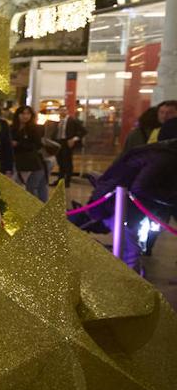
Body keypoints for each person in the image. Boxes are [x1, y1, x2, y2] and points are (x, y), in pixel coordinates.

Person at [79, 119, 177, 274]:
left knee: (130, 250)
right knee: (130, 253)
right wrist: (171, 198)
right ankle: (130, 290)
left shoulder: (159, 152)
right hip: (119, 205)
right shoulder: (164, 157)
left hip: (119, 204)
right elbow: (141, 187)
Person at [11, 105, 48, 201]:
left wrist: (18, 144)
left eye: (28, 113)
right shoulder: (12, 128)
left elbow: (37, 145)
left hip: (34, 164)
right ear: (18, 115)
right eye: (23, 113)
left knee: (33, 187)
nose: (25, 116)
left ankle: (39, 210)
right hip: (18, 163)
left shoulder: (34, 129)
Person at [45, 105, 86, 187]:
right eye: (61, 110)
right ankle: (60, 180)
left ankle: (67, 181)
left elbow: (83, 131)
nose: (62, 112)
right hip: (58, 142)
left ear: (67, 111)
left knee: (67, 162)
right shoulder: (58, 121)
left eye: (64, 110)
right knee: (60, 162)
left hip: (67, 143)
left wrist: (74, 139)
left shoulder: (72, 120)